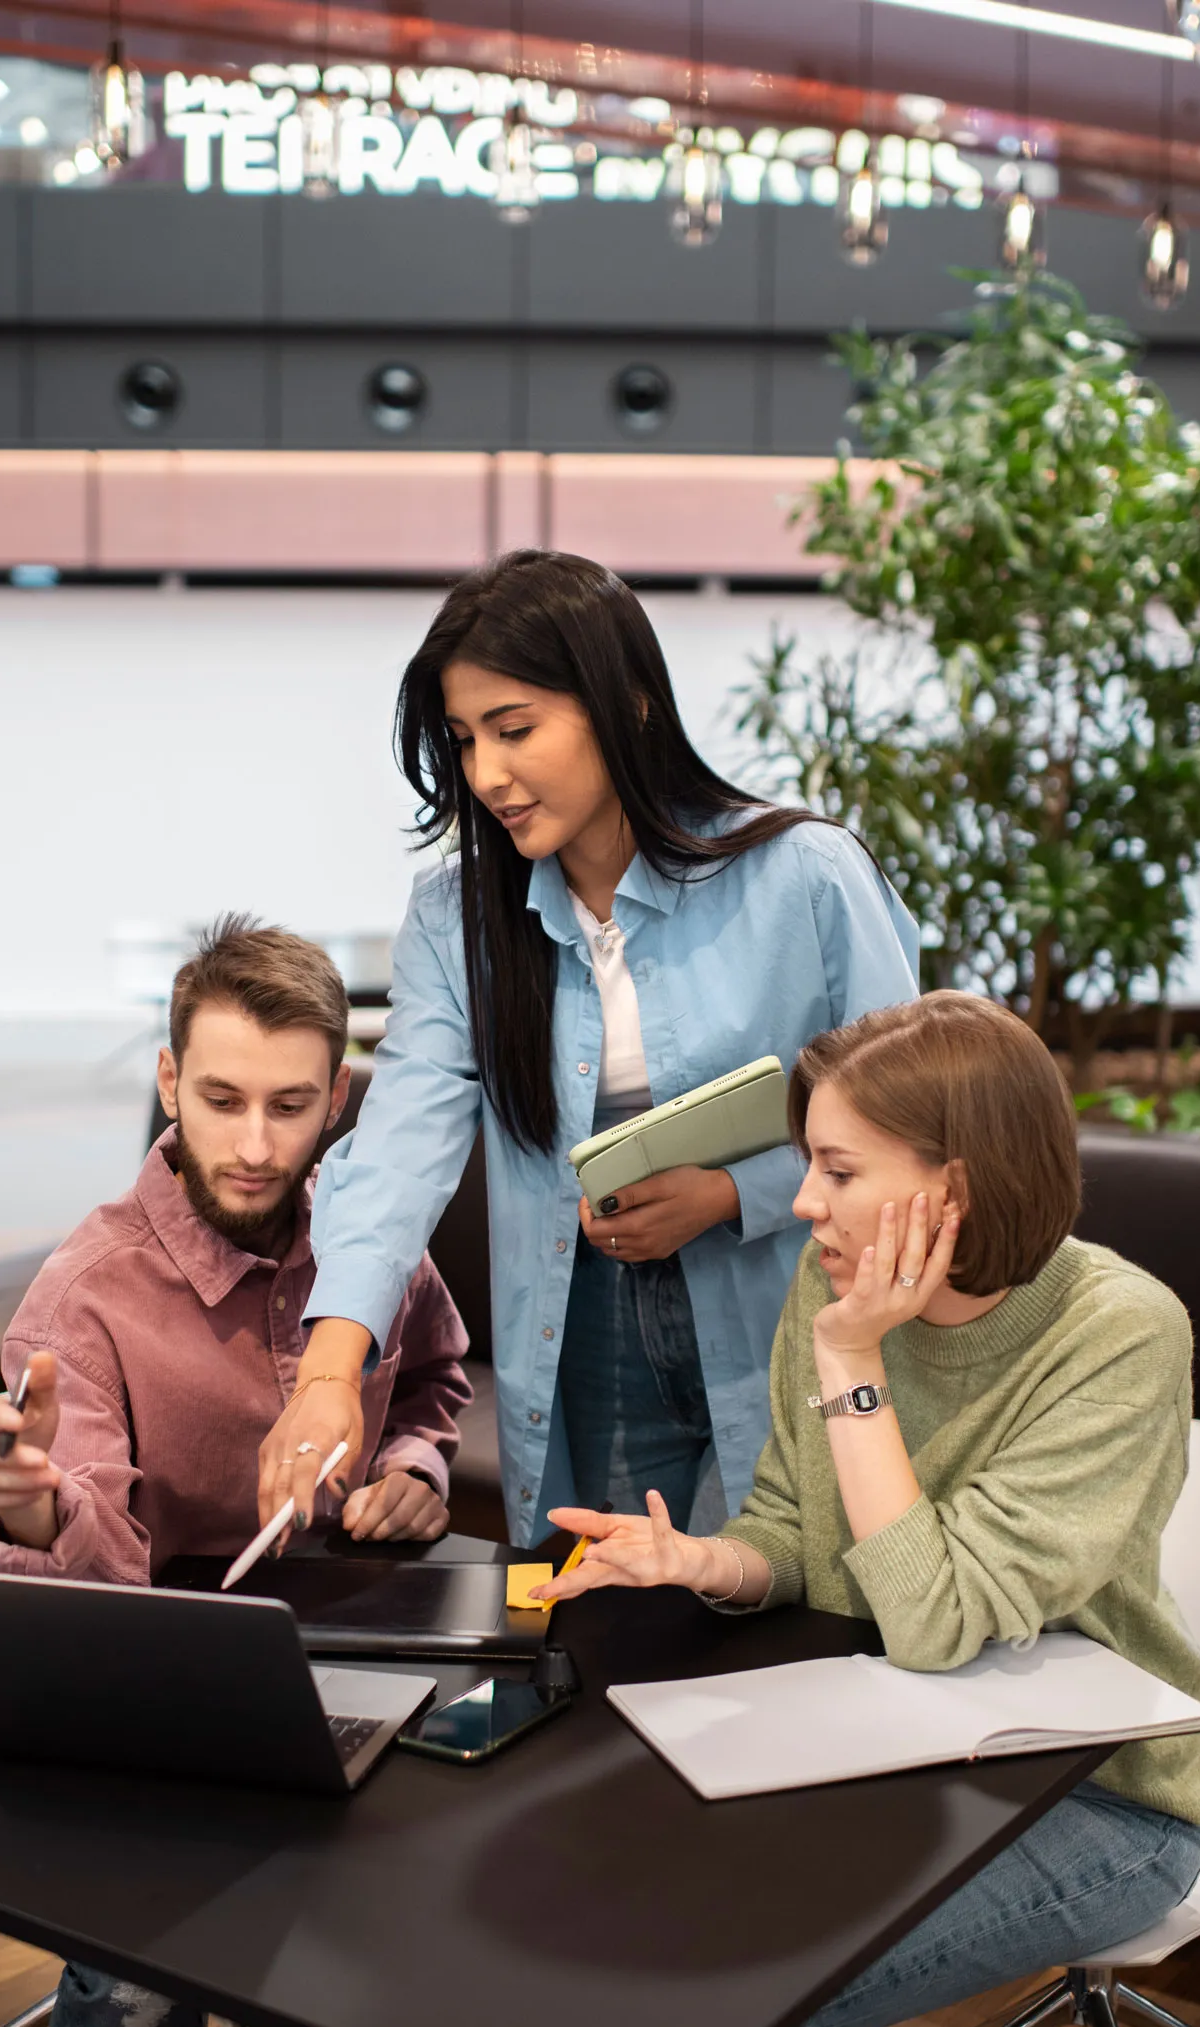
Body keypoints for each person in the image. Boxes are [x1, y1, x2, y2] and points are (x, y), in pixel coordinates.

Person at [539, 990, 1200, 2027]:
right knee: (631, 1936)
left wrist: (855, 1364)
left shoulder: (1120, 1331)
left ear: (949, 1188)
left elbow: (936, 1618)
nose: (802, 1206)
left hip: (1099, 1796)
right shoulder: (831, 1275)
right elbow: (798, 1533)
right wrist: (700, 1560)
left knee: (763, 2021)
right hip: (887, 1742)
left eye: (838, 1171)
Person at [0, 915, 471, 2027]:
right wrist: (36, 1507)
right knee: (139, 1941)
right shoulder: (90, 1290)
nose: (254, 1142)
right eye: (223, 1098)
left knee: (365, 1888)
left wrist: (415, 1456)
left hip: (336, 1655)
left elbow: (428, 1373)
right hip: (154, 1672)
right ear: (170, 1078)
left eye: (292, 1105)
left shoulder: (366, 1241)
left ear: (337, 1100)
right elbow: (91, 1570)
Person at [257, 549, 919, 1551]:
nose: (486, 775)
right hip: (587, 1333)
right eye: (463, 739)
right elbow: (395, 1153)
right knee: (618, 1633)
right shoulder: (458, 922)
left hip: (801, 1313)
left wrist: (732, 1195)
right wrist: (326, 1377)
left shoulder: (806, 879)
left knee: (790, 1618)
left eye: (515, 729)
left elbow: (913, 1127)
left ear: (630, 704)